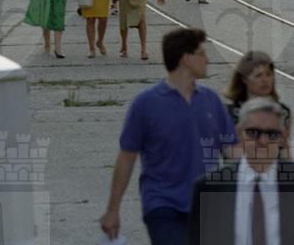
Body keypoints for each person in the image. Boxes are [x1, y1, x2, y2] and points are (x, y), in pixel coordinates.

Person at [100, 28, 236, 245]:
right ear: (186, 59)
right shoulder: (145, 104)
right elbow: (126, 158)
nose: (207, 60)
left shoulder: (211, 101)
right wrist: (112, 210)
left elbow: (232, 151)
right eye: (202, 53)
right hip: (162, 205)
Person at [188, 97, 294, 245]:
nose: (263, 141)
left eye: (271, 134)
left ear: (282, 137)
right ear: (239, 133)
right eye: (253, 132)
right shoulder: (209, 187)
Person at [225, 50, 291, 133]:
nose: (265, 80)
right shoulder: (229, 113)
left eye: (269, 74)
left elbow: (284, 139)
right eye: (258, 76)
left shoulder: (283, 112)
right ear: (244, 79)